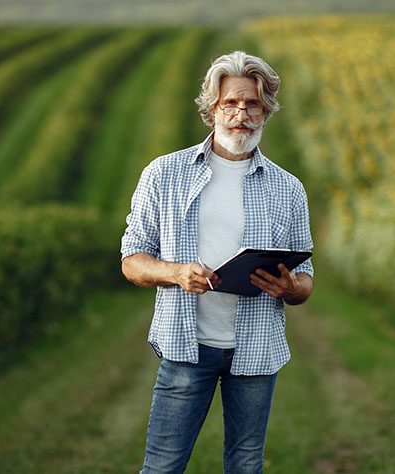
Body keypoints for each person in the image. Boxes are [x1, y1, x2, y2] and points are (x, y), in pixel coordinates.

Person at [120, 50, 314, 474]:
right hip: (186, 347)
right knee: (162, 467)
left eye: (253, 104)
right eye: (231, 102)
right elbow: (132, 261)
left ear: (266, 110)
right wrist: (175, 273)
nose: (241, 113)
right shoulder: (163, 174)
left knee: (246, 468)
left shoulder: (289, 189)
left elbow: (305, 280)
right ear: (212, 109)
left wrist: (290, 289)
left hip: (256, 349)